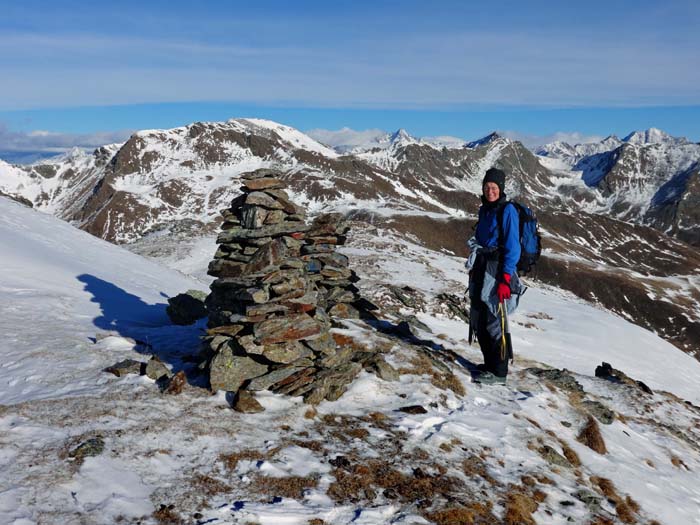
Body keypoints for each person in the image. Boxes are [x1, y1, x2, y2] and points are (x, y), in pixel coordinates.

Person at [466, 167, 523, 385]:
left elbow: (513, 248)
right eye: (487, 187)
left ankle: (499, 373)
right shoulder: (485, 210)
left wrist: (506, 279)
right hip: (482, 267)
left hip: (497, 270)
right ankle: (489, 364)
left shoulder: (506, 210)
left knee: (494, 320)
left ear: (501, 189)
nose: (490, 191)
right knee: (479, 316)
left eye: (494, 187)